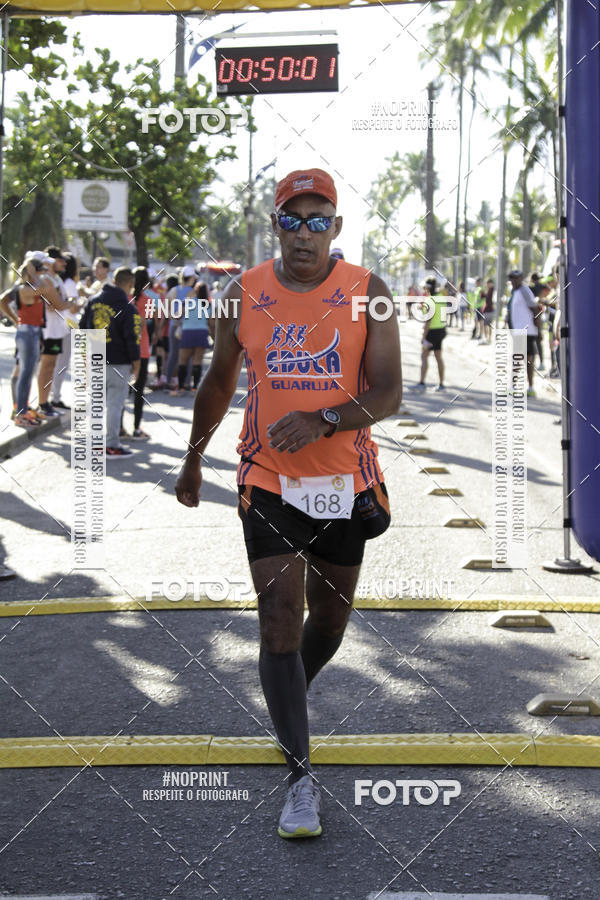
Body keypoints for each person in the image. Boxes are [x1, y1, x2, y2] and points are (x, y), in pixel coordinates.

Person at [175, 167, 402, 839]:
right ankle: (300, 776)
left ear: (336, 226)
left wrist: (324, 418)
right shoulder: (240, 294)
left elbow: (388, 393)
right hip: (266, 479)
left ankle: (284, 700)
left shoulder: (371, 293)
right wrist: (193, 457)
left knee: (328, 623)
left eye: (317, 220)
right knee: (279, 619)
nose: (304, 234)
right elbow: (219, 382)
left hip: (345, 483)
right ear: (274, 224)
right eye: (291, 220)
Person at [80, 267, 141, 458]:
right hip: (119, 361)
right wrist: (137, 366)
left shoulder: (93, 301)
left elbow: (82, 329)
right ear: (130, 284)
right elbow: (132, 338)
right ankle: (112, 444)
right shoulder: (128, 307)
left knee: (96, 403)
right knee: (114, 405)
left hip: (96, 358)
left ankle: (95, 444)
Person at [2, 255, 47, 427]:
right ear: (32, 273)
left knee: (27, 374)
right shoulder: (24, 288)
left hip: (32, 331)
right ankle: (20, 413)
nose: (43, 275)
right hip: (27, 332)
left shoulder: (30, 287)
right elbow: (44, 289)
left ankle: (23, 410)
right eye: (39, 271)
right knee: (25, 374)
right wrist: (16, 320)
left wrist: (15, 320)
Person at [37, 247, 79, 419]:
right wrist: (68, 302)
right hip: (48, 331)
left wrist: (65, 302)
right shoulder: (47, 279)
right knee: (46, 367)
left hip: (57, 330)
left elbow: (62, 304)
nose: (63, 263)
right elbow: (59, 305)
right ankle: (42, 403)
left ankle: (46, 403)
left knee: (51, 366)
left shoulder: (56, 280)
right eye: (60, 260)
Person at [51, 252, 83, 410]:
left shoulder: (57, 281)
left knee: (52, 363)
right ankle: (55, 397)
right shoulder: (69, 283)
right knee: (61, 364)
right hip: (68, 326)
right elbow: (74, 307)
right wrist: (82, 301)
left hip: (57, 326)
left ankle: (52, 396)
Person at [170, 268, 210, 397]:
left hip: (187, 333)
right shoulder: (207, 305)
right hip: (202, 333)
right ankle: (195, 388)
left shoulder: (187, 302)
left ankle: (181, 388)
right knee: (197, 362)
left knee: (183, 361)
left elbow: (176, 316)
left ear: (195, 291)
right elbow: (212, 322)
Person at [127, 266, 153, 439]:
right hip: (141, 349)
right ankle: (136, 429)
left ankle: (119, 429)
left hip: (124, 350)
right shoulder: (148, 301)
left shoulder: (124, 299)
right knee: (139, 391)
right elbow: (143, 323)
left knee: (120, 392)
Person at [507, 269, 538, 397]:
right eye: (512, 278)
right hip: (519, 331)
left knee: (523, 359)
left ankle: (525, 387)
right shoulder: (515, 292)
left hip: (526, 331)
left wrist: (538, 329)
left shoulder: (524, 291)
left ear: (521, 278)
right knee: (521, 359)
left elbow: (535, 308)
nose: (513, 281)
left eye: (516, 278)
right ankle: (521, 387)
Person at [414, 277, 447, 391]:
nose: (424, 289)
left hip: (431, 332)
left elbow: (428, 321)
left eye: (425, 287)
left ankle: (422, 383)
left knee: (424, 356)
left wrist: (423, 337)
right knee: (438, 357)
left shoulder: (429, 300)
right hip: (441, 330)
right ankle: (441, 384)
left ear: (428, 288)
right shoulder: (441, 298)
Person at [481, 278, 495, 343]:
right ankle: (486, 337)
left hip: (490, 310)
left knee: (489, 325)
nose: (487, 285)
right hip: (486, 310)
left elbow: (489, 299)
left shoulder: (492, 290)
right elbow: (484, 297)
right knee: (485, 325)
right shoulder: (488, 290)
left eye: (488, 283)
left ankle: (489, 338)